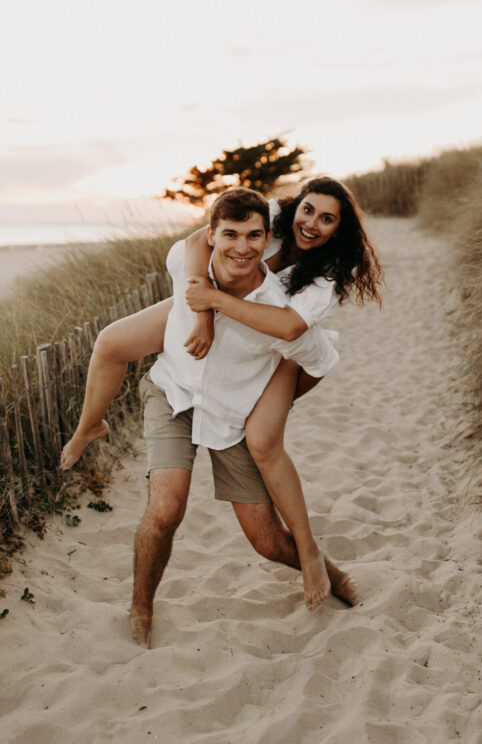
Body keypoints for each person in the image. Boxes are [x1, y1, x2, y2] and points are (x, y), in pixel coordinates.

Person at [60, 177, 383, 622]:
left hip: (260, 371)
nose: (312, 223)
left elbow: (294, 335)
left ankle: (315, 559)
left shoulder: (317, 281)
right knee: (112, 343)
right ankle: (89, 430)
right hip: (198, 360)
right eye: (308, 210)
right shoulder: (264, 216)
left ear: (338, 229)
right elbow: (196, 240)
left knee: (265, 455)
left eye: (327, 219)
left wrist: (212, 302)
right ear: (294, 208)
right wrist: (202, 310)